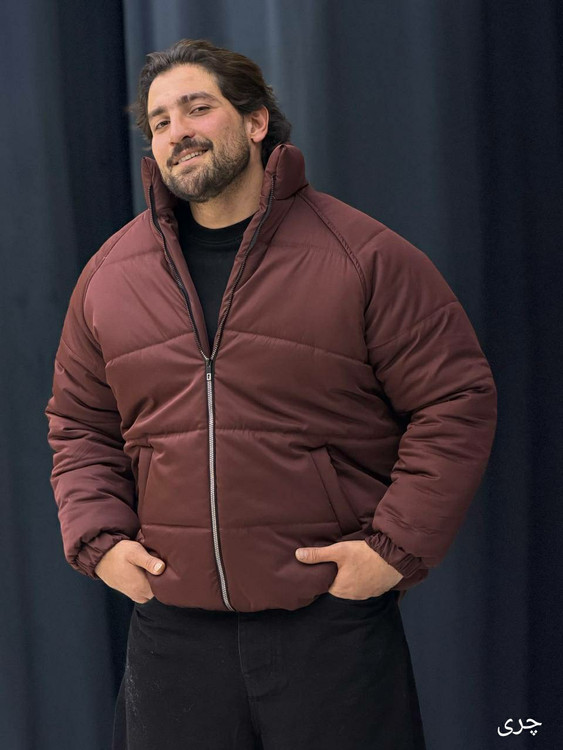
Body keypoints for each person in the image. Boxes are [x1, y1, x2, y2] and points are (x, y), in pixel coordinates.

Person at [45, 38, 497, 750]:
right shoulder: (110, 276)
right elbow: (78, 423)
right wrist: (100, 540)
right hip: (172, 634)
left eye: (197, 108)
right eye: (160, 121)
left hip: (327, 627)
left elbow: (456, 400)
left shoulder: (364, 257)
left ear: (256, 121)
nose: (177, 131)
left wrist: (392, 549)